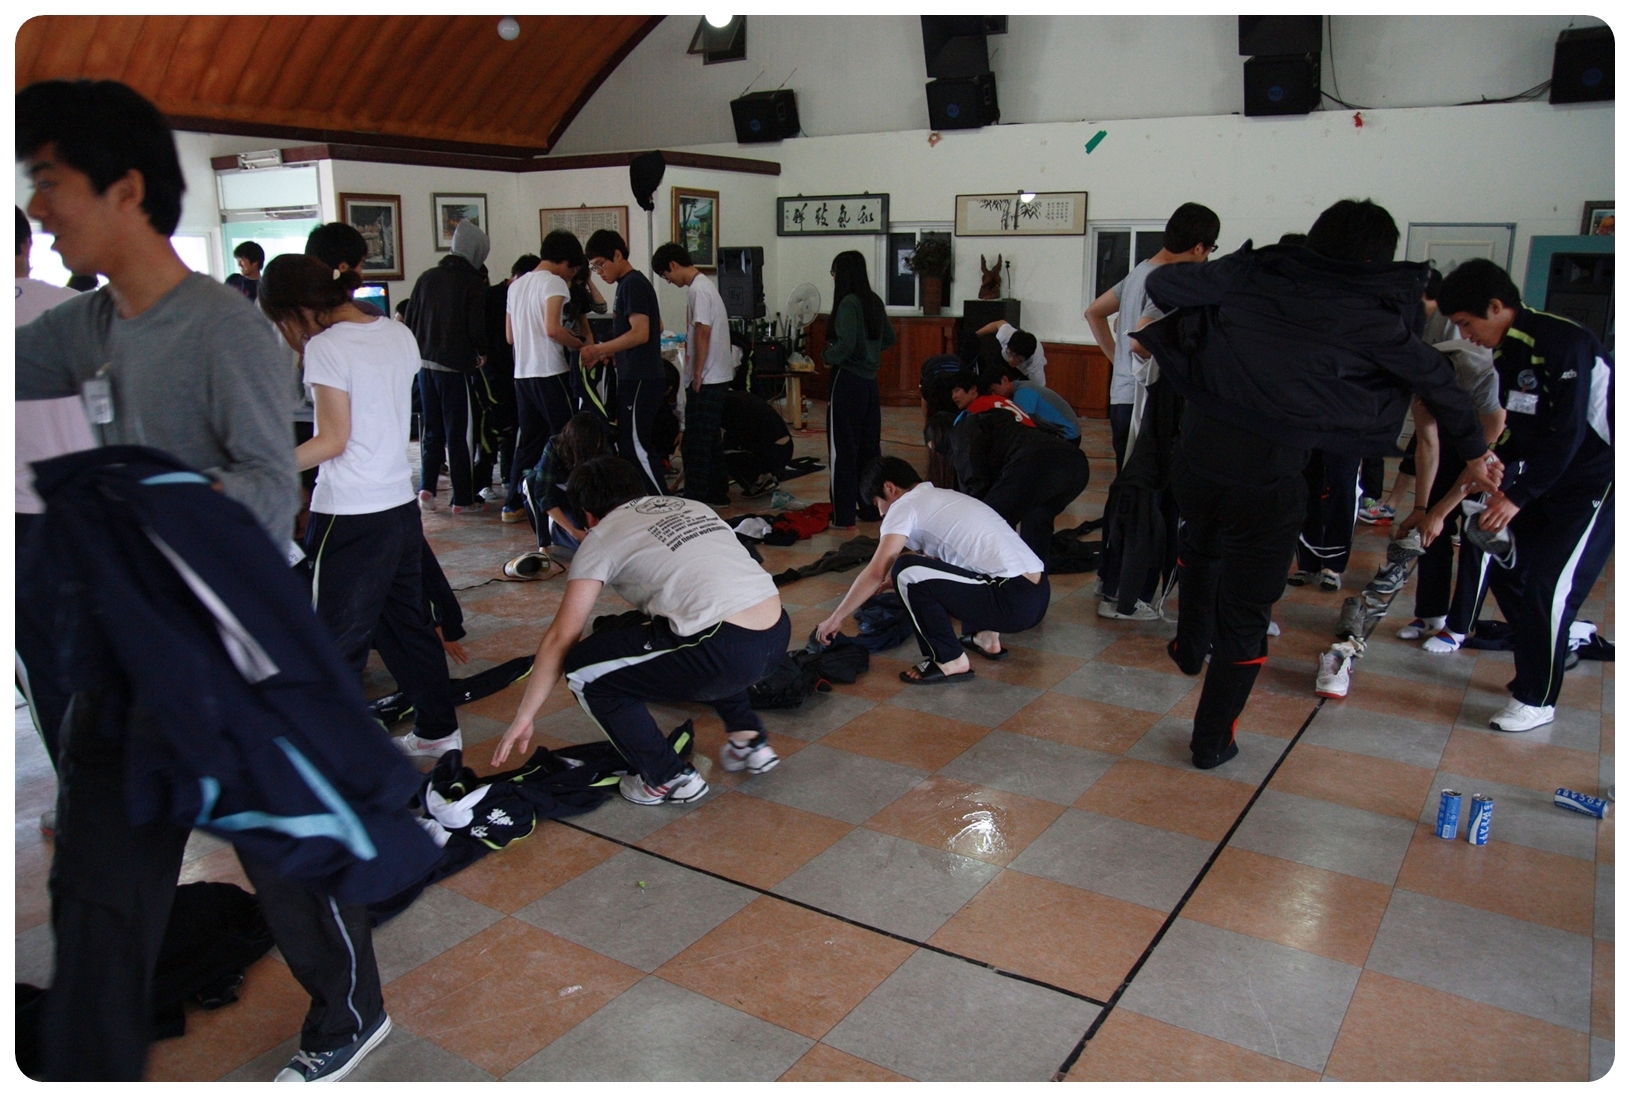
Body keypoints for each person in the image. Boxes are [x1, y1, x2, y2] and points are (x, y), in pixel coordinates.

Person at [15, 78, 391, 1082]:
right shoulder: (89, 325)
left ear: (126, 188)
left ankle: (352, 1009)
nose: (38, 208)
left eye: (49, 181)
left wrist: (162, 509)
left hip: (228, 640)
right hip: (123, 641)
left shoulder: (225, 329)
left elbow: (271, 484)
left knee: (285, 848)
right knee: (100, 876)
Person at [1136, 198, 1498, 769]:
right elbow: (1441, 384)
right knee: (1246, 617)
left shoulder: (1254, 274)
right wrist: (1476, 455)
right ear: (1377, 262)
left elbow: (1165, 285)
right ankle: (1211, 742)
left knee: (1201, 542)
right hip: (1267, 483)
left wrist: (1233, 271)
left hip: (1197, 461)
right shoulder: (1371, 317)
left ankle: (1188, 643)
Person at [490, 456, 790, 804]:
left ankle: (667, 777)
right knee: (684, 630)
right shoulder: (691, 506)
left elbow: (562, 637)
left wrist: (525, 716)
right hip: (775, 633)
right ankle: (749, 740)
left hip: (723, 650)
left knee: (585, 671)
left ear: (587, 514)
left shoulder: (601, 537)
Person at [259, 252, 463, 760]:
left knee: (333, 641)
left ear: (295, 310)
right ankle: (439, 731)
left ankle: (337, 757)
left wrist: (264, 467)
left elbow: (332, 440)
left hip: (348, 513)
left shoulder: (326, 346)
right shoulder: (397, 332)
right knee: (406, 626)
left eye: (281, 324)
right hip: (397, 506)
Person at [1435, 258, 1613, 732]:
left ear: (1496, 307)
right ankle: (1558, 639)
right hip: (1550, 477)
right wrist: (1499, 459)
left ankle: (1537, 698)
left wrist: (1518, 496)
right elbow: (1524, 422)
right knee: (1510, 570)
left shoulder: (1562, 342)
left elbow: (1570, 432)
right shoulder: (1506, 351)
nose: (1466, 335)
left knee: (1547, 587)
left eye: (1467, 323)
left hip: (1598, 479)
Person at [815, 456, 1049, 684]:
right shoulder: (945, 496)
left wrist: (835, 618)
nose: (881, 513)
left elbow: (876, 572)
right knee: (947, 564)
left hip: (1011, 602)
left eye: (877, 503)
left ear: (889, 488)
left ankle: (949, 660)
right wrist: (892, 581)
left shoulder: (904, 506)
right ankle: (985, 638)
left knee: (905, 571)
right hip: (1037, 595)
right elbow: (945, 559)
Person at [15, 204, 88, 766]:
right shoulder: (78, 308)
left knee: (45, 666)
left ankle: (78, 789)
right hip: (96, 506)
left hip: (21, 520)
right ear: (27, 246)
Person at [1085, 202, 1220, 470]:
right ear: (1199, 248)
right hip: (1145, 402)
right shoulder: (1171, 281)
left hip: (1121, 396)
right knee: (1146, 482)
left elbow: (1093, 313)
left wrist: (1117, 359)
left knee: (1129, 480)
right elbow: (1140, 343)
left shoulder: (1140, 271)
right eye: (1211, 249)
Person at [1391, 339, 1505, 651]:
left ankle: (1459, 627)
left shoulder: (1482, 376)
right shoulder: (1419, 375)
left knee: (1476, 535)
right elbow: (1428, 443)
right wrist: (1422, 508)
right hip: (1457, 442)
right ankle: (1432, 615)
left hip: (1494, 453)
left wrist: (1441, 513)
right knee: (1428, 528)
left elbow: (1483, 458)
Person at [944, 369, 1091, 565]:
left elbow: (972, 473)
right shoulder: (1006, 402)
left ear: (973, 390)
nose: (954, 396)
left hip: (1033, 461)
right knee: (1036, 517)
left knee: (990, 517)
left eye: (957, 390)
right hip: (1073, 461)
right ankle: (1034, 574)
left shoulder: (970, 417)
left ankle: (1000, 571)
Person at [504, 231, 589, 522]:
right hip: (550, 372)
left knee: (528, 441)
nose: (570, 276)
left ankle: (512, 504)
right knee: (568, 438)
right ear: (564, 261)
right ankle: (573, 504)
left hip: (522, 375)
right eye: (572, 269)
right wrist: (579, 344)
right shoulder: (554, 282)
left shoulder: (517, 285)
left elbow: (510, 336)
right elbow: (552, 329)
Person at [405, 217, 488, 513]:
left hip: (424, 365)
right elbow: (476, 326)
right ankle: (462, 498)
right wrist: (481, 353)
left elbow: (411, 319)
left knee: (432, 429)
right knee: (459, 433)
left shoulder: (426, 277)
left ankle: (426, 488)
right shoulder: (472, 283)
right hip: (455, 367)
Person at [582, 229, 667, 495]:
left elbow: (641, 333)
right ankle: (647, 501)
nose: (599, 272)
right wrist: (614, 352)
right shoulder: (628, 285)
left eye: (601, 264)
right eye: (594, 268)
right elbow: (658, 326)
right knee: (630, 444)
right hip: (635, 375)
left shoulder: (633, 284)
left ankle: (663, 504)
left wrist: (599, 349)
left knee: (636, 446)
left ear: (617, 255)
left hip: (641, 377)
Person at [655, 242, 734, 506]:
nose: (668, 281)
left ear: (674, 265)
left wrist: (697, 373)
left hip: (708, 377)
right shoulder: (702, 287)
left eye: (666, 275)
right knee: (709, 440)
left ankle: (695, 499)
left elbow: (703, 331)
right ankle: (717, 493)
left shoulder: (699, 289)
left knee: (695, 443)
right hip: (714, 375)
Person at [824, 249, 895, 529]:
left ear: (842, 274)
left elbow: (845, 346)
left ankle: (843, 516)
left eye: (834, 273)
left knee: (843, 450)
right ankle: (869, 509)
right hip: (869, 384)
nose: (833, 278)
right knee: (869, 449)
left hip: (847, 381)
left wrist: (826, 356)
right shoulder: (873, 301)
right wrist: (871, 351)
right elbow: (889, 338)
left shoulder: (848, 303)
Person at [503, 410, 610, 579]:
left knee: (588, 543)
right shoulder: (555, 446)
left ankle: (559, 530)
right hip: (554, 495)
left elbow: (603, 493)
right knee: (530, 482)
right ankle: (545, 544)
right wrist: (574, 532)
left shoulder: (603, 450)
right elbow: (543, 495)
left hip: (577, 496)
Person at [474, 254, 532, 501]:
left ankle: (508, 475)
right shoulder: (492, 296)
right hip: (490, 370)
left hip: (515, 368)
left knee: (513, 424)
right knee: (491, 426)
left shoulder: (523, 295)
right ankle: (483, 481)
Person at [721, 387, 794, 495]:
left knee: (724, 453)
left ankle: (758, 482)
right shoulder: (739, 397)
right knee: (730, 442)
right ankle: (770, 474)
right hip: (785, 449)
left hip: (773, 453)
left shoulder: (723, 404)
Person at [305, 221, 384, 316]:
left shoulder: (296, 318)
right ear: (343, 267)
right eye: (361, 265)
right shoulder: (371, 314)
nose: (362, 275)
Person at [986, 360, 1079, 441]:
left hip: (1067, 436)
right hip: (1064, 432)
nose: (994, 395)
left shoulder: (1023, 392)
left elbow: (1023, 426)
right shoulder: (1024, 386)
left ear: (1004, 380)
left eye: (994, 390)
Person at [974, 320, 1048, 388]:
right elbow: (997, 324)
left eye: (1018, 359)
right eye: (1011, 353)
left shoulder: (1034, 369)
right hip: (1003, 358)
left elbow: (1041, 390)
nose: (1012, 360)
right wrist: (975, 335)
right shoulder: (1006, 335)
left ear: (1026, 359)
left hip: (1023, 372)